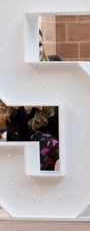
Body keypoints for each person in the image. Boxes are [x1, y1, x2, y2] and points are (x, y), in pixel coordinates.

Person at [0, 30, 60, 171]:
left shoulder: (55, 67)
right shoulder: (9, 78)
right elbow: (10, 126)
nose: (37, 50)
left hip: (57, 135)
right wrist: (27, 107)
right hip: (29, 140)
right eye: (30, 45)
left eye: (39, 44)